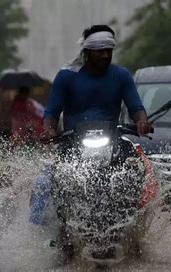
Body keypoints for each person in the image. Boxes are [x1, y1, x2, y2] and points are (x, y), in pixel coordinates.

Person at [30, 25, 152, 226]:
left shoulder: (121, 76)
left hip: (113, 142)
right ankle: (44, 231)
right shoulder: (66, 76)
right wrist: (49, 129)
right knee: (44, 183)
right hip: (72, 143)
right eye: (100, 51)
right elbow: (51, 112)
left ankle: (136, 228)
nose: (105, 55)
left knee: (139, 172)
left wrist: (141, 121)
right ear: (86, 52)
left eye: (109, 51)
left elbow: (136, 106)